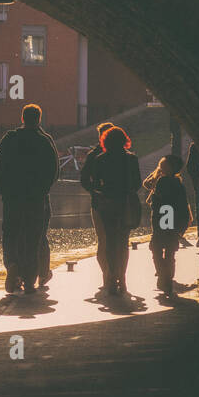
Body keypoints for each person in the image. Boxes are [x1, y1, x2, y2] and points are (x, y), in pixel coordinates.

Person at [0, 103, 59, 294]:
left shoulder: (9, 139)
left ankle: (12, 264)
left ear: (22, 118)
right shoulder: (44, 140)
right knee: (33, 237)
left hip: (12, 197)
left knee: (10, 233)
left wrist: (2, 190)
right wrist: (43, 189)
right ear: (39, 119)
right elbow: (54, 171)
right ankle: (30, 280)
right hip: (36, 198)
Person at [88, 125, 141, 296]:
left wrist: (102, 192)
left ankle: (111, 278)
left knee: (110, 241)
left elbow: (95, 183)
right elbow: (138, 183)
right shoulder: (131, 159)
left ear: (106, 141)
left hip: (107, 204)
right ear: (124, 140)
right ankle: (122, 278)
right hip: (125, 203)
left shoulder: (100, 159)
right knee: (123, 242)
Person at [144, 154, 191, 296]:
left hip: (163, 219)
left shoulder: (162, 181)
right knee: (170, 251)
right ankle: (167, 278)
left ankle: (163, 275)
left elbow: (151, 191)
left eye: (163, 164)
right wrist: (181, 226)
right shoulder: (178, 183)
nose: (161, 166)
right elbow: (183, 205)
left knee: (157, 249)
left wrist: (156, 177)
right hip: (172, 220)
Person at [80, 122, 116, 289]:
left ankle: (106, 274)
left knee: (102, 239)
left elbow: (84, 179)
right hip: (118, 203)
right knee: (117, 240)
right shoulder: (126, 155)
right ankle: (117, 275)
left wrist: (94, 191)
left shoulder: (94, 155)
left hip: (98, 203)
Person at [185, 141, 199, 247]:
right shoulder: (197, 146)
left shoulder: (196, 145)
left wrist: (197, 181)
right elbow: (190, 167)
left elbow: (190, 167)